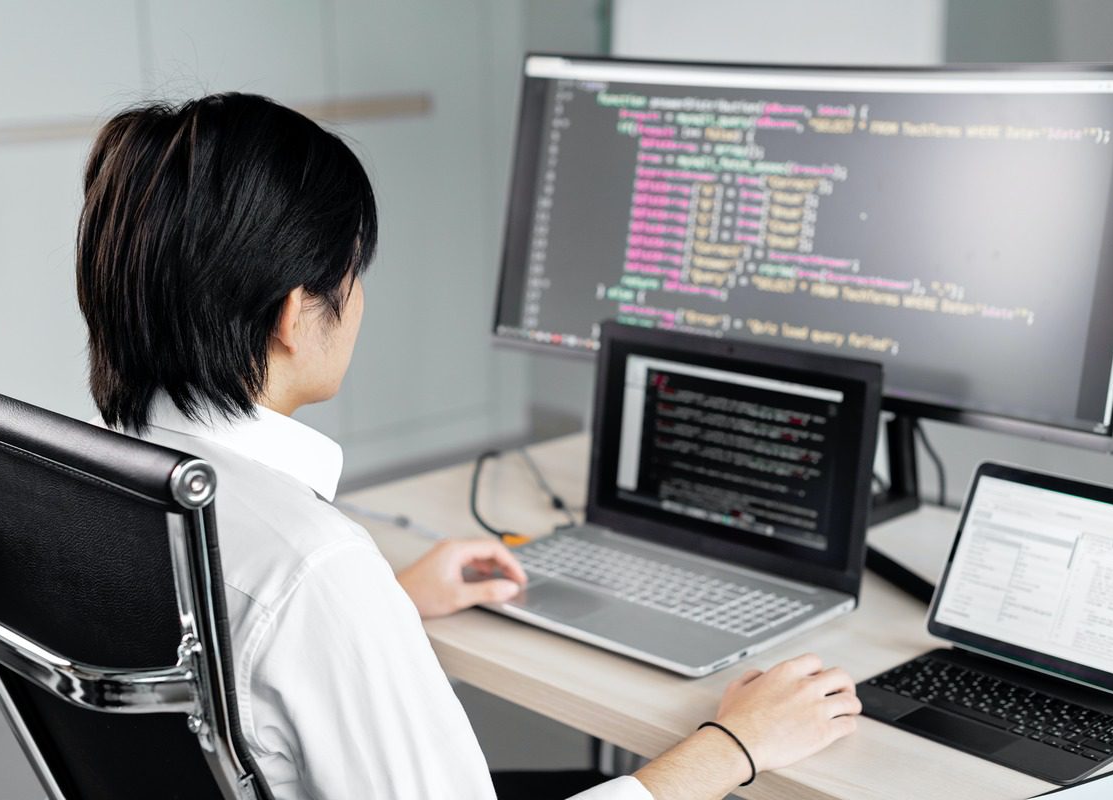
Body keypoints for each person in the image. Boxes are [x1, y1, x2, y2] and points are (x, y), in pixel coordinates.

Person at [76, 93, 861, 800]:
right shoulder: (314, 571)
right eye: (353, 274)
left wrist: (390, 603)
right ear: (293, 314)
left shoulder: (92, 485)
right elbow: (295, 596)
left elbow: (225, 655)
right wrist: (735, 745)